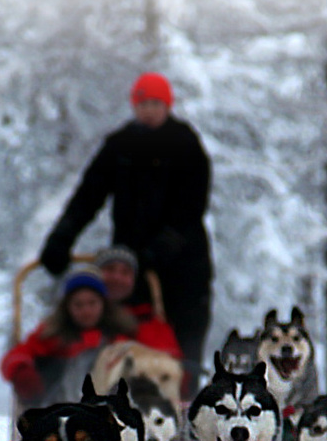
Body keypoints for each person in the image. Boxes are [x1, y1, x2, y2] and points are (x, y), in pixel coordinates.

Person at [39, 72, 215, 396]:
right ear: (134, 106)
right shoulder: (120, 145)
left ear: (167, 105)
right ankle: (113, 411)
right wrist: (61, 238)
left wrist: (155, 253)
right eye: (143, 103)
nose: (149, 110)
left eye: (155, 103)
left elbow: (191, 209)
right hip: (130, 271)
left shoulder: (186, 144)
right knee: (124, 340)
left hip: (183, 269)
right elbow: (88, 196)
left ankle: (183, 411)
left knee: (182, 347)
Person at [1, 268, 180, 408]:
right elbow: (18, 354)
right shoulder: (53, 336)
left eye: (92, 303)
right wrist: (21, 371)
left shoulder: (122, 332)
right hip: (62, 401)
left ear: (103, 304)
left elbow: (158, 354)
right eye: (78, 305)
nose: (86, 311)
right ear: (67, 308)